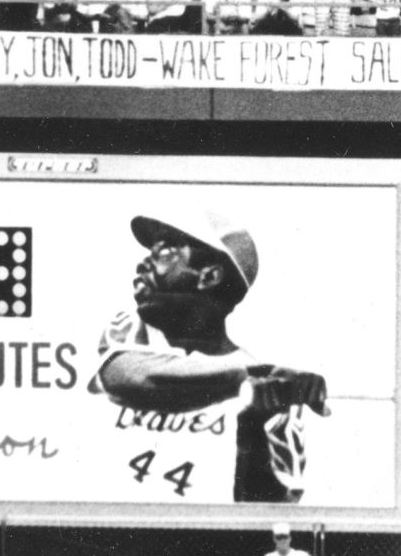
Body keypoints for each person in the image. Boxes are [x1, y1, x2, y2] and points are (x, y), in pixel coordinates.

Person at [88, 210, 331, 503]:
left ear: (210, 276)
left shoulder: (271, 383)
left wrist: (256, 425)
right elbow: (125, 375)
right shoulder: (132, 328)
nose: (144, 260)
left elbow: (270, 509)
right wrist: (247, 376)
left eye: (165, 250)